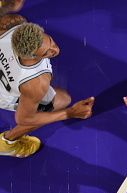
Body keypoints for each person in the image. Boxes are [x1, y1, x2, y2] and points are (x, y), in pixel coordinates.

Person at [0, 14, 94, 158]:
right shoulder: (35, 83)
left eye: (50, 41)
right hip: (4, 95)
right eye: (46, 52)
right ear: (30, 56)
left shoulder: (10, 25)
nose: (55, 50)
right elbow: (24, 119)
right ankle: (7, 143)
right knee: (62, 100)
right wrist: (69, 113)